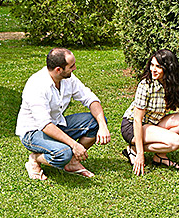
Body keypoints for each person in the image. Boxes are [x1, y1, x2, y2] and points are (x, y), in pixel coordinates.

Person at [16, 48, 111, 180]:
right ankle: (35, 158)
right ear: (58, 70)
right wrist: (74, 145)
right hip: (32, 132)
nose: (75, 68)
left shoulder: (68, 78)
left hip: (57, 124)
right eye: (71, 66)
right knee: (63, 153)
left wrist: (102, 125)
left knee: (95, 122)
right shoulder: (37, 85)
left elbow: (90, 99)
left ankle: (72, 162)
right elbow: (45, 125)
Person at [120, 49, 179, 176]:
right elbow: (137, 120)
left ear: (168, 68)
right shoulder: (146, 85)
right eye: (152, 65)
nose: (153, 69)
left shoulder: (177, 85)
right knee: (176, 142)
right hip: (133, 126)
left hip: (154, 124)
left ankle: (159, 155)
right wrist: (141, 155)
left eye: (158, 66)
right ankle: (134, 149)